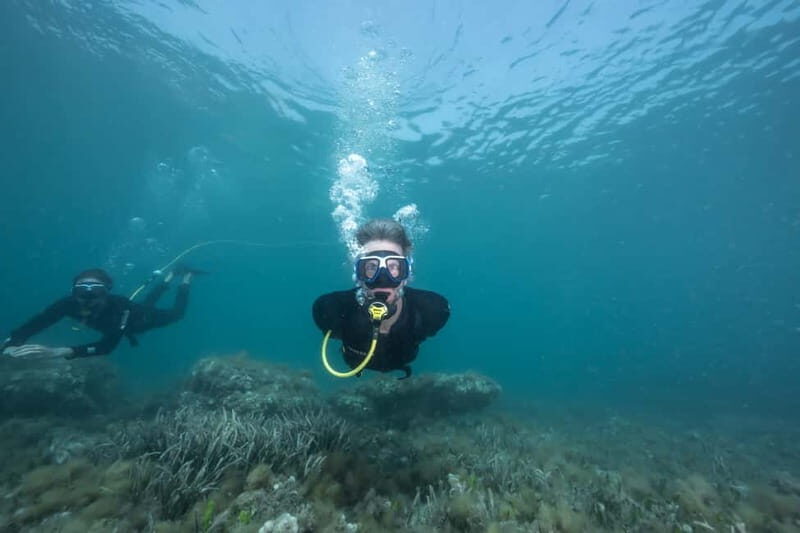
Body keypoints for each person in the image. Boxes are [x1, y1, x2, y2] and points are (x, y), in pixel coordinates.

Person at [313, 218, 450, 379]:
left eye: (394, 267)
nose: (383, 279)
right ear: (358, 273)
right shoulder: (330, 311)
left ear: (407, 273)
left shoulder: (433, 311)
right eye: (371, 267)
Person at [1, 267, 198, 360]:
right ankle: (171, 274)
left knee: (175, 314)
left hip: (139, 321)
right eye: (80, 292)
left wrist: (59, 351)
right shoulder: (67, 304)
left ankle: (186, 277)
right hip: (130, 313)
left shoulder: (120, 308)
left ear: (106, 293)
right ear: (73, 293)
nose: (87, 299)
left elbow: (107, 346)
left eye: (95, 293)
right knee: (147, 301)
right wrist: (11, 343)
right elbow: (38, 322)